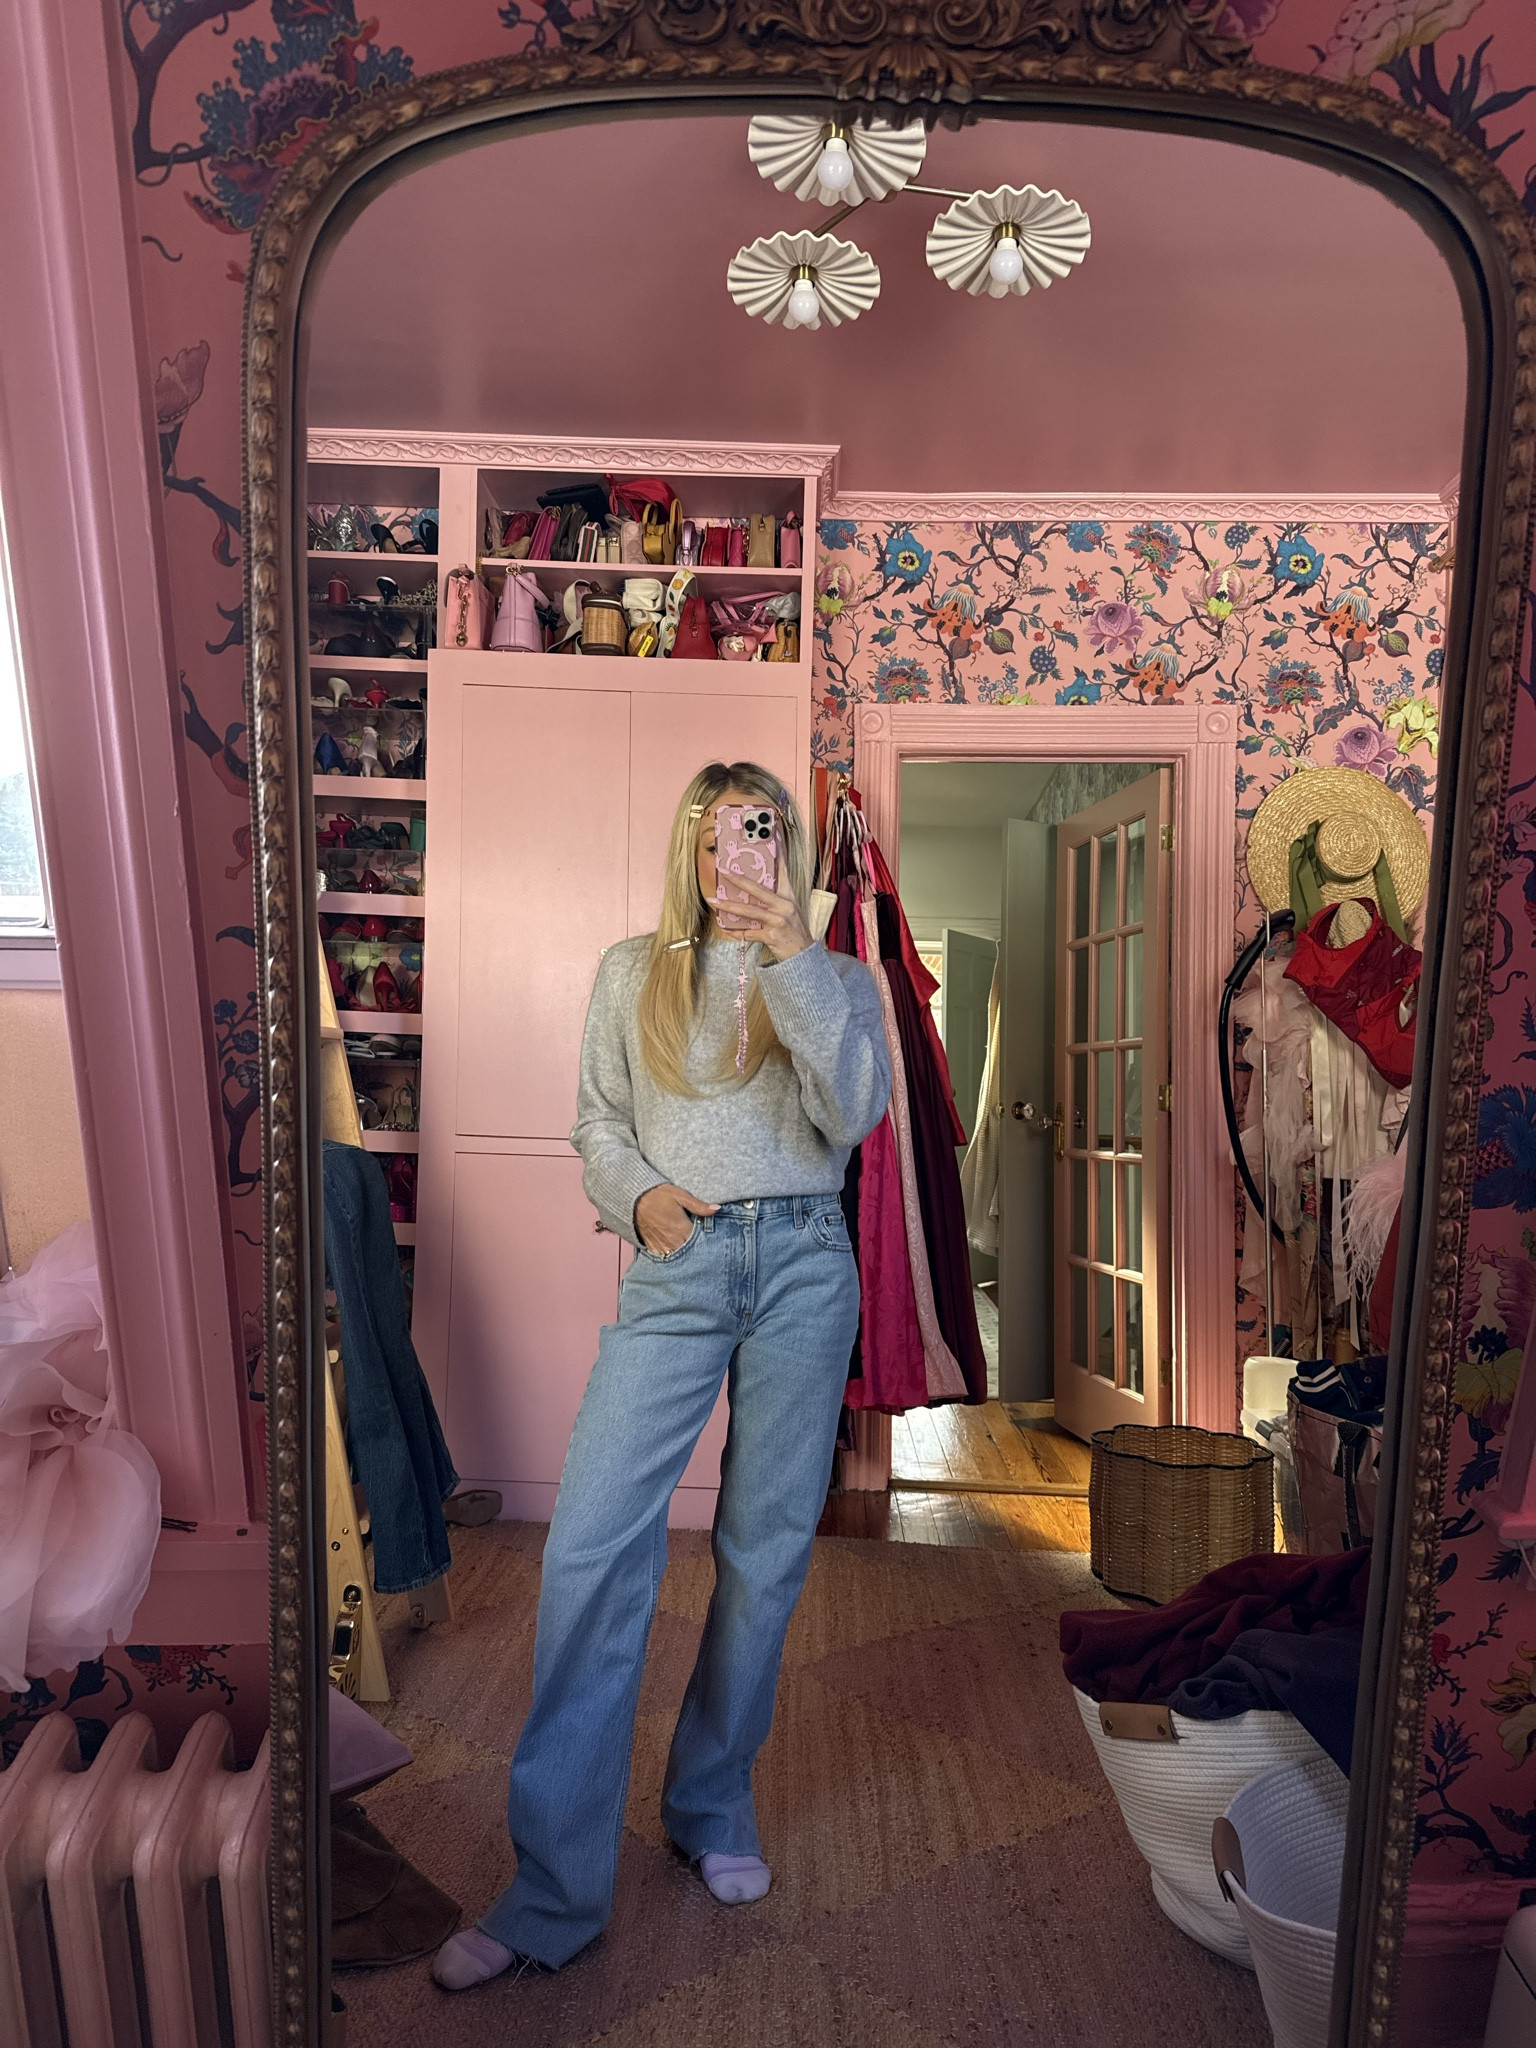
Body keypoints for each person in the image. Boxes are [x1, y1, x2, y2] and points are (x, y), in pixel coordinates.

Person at [434, 761, 891, 1991]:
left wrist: (791, 952)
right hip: (680, 1262)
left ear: (785, 848)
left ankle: (711, 1800)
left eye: (760, 831)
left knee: (765, 1547)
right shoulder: (632, 971)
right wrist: (637, 1198)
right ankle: (552, 1889)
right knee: (592, 1545)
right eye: (717, 834)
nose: (736, 855)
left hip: (807, 1261)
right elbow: (598, 1119)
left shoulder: (840, 976)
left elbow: (853, 1113)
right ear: (691, 848)